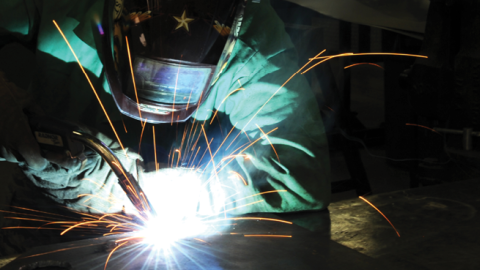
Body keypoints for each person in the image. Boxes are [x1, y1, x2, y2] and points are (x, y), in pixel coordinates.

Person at [0, 0, 331, 254]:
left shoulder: (249, 39)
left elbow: (301, 175)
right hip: (47, 202)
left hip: (189, 224)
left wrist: (176, 195)